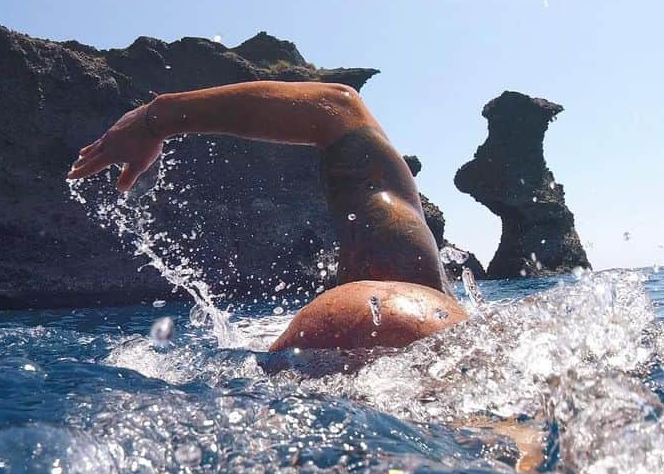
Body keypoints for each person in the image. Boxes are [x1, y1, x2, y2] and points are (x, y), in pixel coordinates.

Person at [67, 81, 467, 351]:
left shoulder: (391, 270)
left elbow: (339, 108)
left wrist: (155, 117)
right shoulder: (417, 275)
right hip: (435, 327)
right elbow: (341, 108)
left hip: (330, 338)